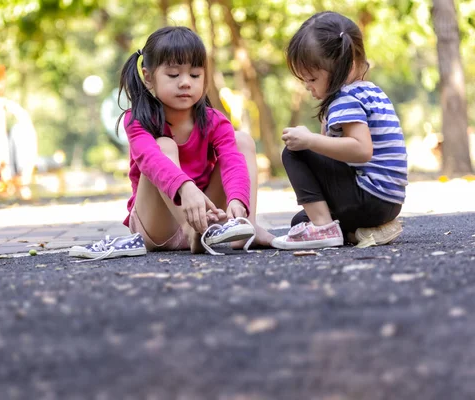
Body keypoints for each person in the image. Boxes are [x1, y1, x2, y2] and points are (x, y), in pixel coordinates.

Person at [114, 26, 274, 255]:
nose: (185, 82)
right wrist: (185, 187)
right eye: (173, 75)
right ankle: (191, 231)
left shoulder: (214, 121)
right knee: (163, 146)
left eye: (195, 75)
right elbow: (150, 160)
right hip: (157, 227)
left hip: (205, 218)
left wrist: (237, 199)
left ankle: (243, 224)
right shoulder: (137, 120)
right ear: (148, 77)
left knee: (242, 141)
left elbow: (231, 161)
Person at [271, 11, 407, 250]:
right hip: (388, 201)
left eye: (312, 79)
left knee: (293, 152)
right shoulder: (370, 91)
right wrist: (319, 136)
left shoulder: (345, 98)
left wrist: (310, 141)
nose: (307, 86)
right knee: (300, 221)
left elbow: (362, 150)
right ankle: (366, 231)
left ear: (345, 68)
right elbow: (335, 158)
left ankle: (325, 228)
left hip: (369, 197)